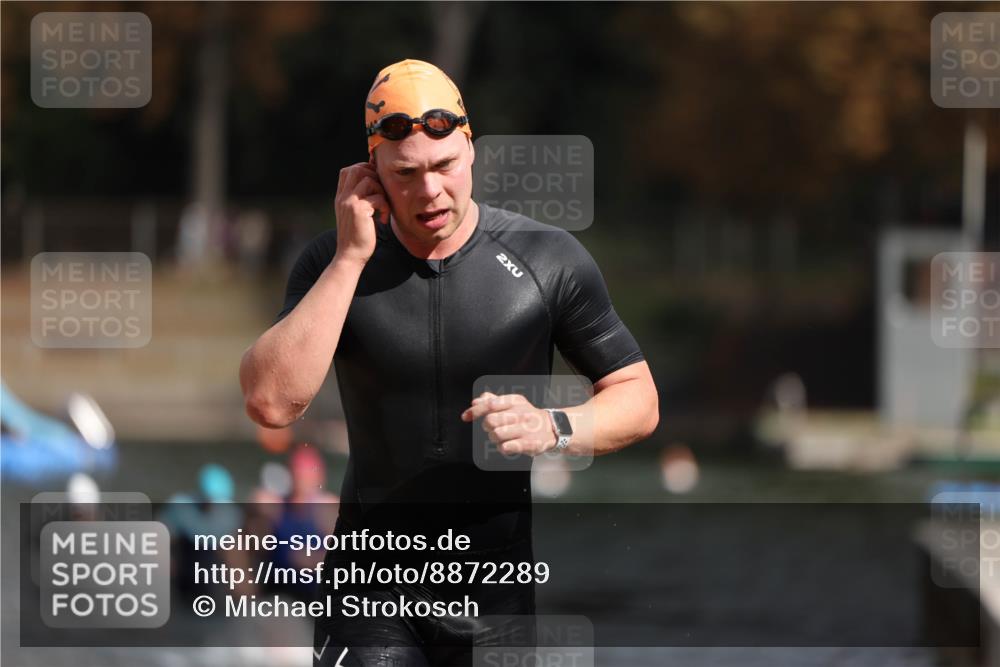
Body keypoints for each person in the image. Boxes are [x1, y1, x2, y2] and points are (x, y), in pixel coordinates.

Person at [239, 58, 659, 667]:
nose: (430, 190)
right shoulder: (333, 264)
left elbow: (639, 397)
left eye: (444, 166)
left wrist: (556, 426)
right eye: (405, 173)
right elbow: (271, 403)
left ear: (471, 149)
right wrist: (351, 260)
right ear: (371, 173)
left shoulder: (548, 260)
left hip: (496, 603)